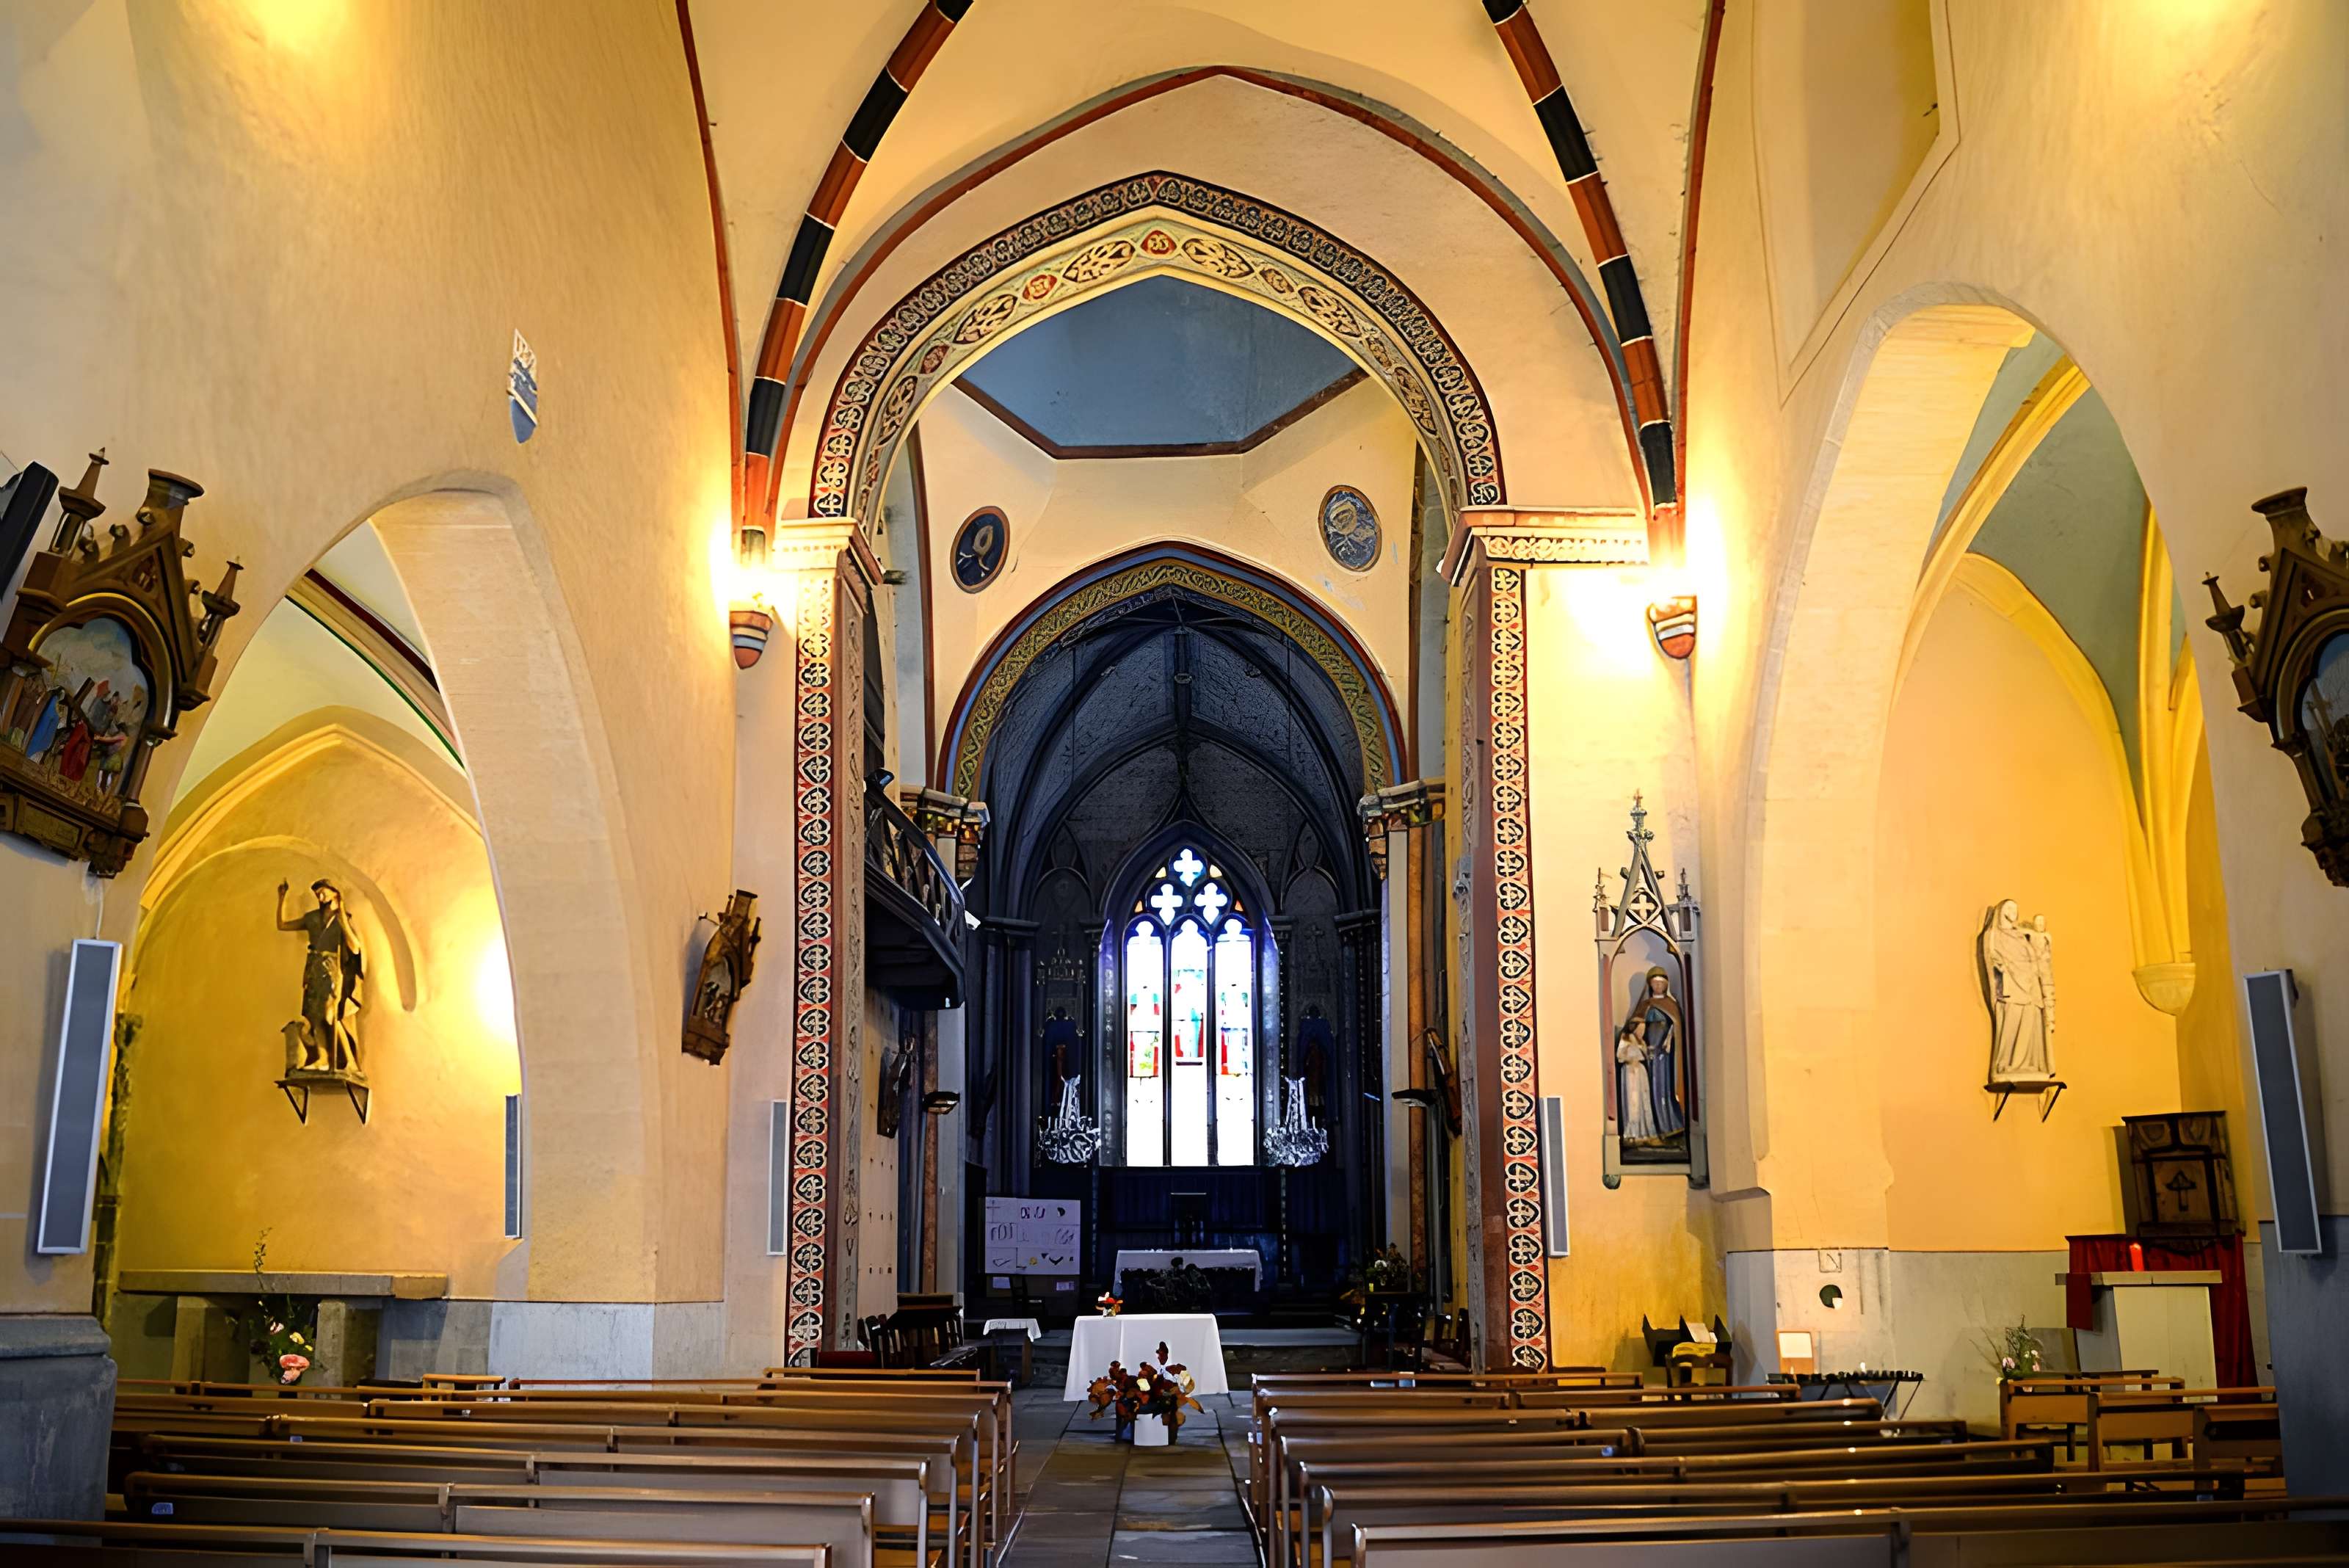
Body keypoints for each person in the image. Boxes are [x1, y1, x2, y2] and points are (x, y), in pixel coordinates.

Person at [278, 879, 366, 1075]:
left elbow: (355, 947)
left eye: (323, 892)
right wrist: (282, 898)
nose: (320, 896)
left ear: (334, 892)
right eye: (317, 894)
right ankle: (323, 1057)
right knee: (314, 1015)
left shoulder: (342, 918)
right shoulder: (313, 918)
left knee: (330, 1015)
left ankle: (350, 1062)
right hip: (314, 969)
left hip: (333, 969)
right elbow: (282, 925)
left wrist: (342, 915)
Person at [1982, 899, 2050, 1083]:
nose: (2014, 911)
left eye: (2016, 909)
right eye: (2009, 907)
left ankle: (2028, 1064)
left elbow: (2032, 959)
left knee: (2031, 1021)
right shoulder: (1994, 934)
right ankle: (2006, 1064)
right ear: (2001, 911)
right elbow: (1992, 958)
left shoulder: (2021, 936)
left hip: (2030, 987)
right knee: (2010, 1023)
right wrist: (2003, 970)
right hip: (2010, 987)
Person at [1616, 1020, 1659, 1141]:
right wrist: (1630, 1058)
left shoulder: (1642, 1042)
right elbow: (1620, 1055)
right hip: (1630, 1071)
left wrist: (1646, 1051)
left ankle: (1643, 1131)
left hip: (1640, 1071)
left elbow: (1646, 1055)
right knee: (1632, 1102)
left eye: (1643, 1030)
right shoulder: (1626, 1039)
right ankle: (1632, 1132)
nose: (1642, 1032)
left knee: (1643, 1100)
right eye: (1640, 1030)